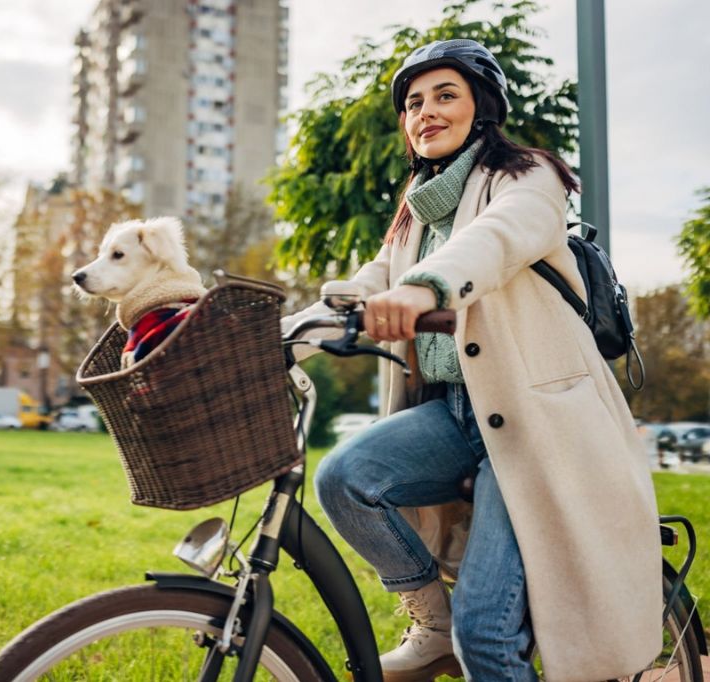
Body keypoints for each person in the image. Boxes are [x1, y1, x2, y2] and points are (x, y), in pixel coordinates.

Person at [283, 39, 661, 681]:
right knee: (345, 477)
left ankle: (467, 635)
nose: (425, 112)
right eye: (412, 102)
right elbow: (372, 278)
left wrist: (424, 287)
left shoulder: (527, 176)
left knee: (485, 632)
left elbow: (495, 239)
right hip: (457, 416)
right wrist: (281, 330)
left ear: (481, 106)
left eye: (444, 95)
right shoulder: (416, 208)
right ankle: (431, 624)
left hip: (541, 427)